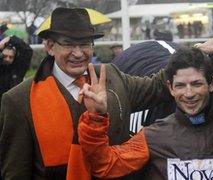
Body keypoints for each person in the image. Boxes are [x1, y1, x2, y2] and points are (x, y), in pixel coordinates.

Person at [0, 7, 175, 179]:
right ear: (50, 46)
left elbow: (158, 86)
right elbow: (15, 172)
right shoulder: (19, 100)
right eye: (68, 44)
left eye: (84, 44)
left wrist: (197, 53)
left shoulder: (112, 76)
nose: (78, 53)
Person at [78, 47, 213, 180]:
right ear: (170, 88)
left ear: (212, 84)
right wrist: (96, 118)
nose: (189, 93)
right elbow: (105, 165)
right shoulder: (152, 137)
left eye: (197, 84)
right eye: (181, 86)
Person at [0, 35, 33, 106]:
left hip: (14, 104)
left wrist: (11, 39)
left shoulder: (18, 68)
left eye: (10, 57)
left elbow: (27, 51)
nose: (7, 59)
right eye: (5, 56)